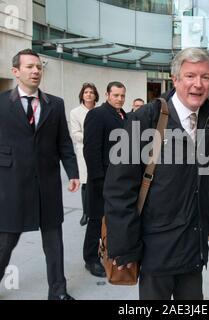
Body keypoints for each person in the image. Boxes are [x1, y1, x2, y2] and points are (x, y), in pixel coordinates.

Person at [103, 47, 209, 300]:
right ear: (175, 78)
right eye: (190, 76)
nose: (198, 84)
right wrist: (123, 246)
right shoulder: (144, 118)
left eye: (205, 77)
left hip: (193, 247)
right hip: (156, 249)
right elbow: (118, 187)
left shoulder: (208, 120)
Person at [0, 49, 80, 300]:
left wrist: (73, 172)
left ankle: (58, 291)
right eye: (29, 67)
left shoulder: (54, 104)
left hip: (47, 185)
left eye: (39, 67)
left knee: (54, 242)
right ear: (16, 71)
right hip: (12, 184)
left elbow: (64, 143)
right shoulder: (2, 103)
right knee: (5, 242)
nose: (36, 71)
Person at [83, 81, 127, 277]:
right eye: (116, 95)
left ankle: (112, 252)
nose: (119, 99)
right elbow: (90, 150)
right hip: (102, 180)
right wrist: (98, 179)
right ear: (108, 95)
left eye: (122, 96)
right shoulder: (97, 115)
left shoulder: (124, 116)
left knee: (114, 219)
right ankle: (91, 259)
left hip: (120, 179)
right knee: (96, 220)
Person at [70, 83, 99, 226]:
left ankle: (97, 211)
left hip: (100, 151)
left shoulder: (100, 111)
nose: (88, 94)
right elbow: (75, 134)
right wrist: (91, 137)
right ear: (82, 95)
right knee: (86, 183)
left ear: (95, 96)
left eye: (91, 92)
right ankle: (86, 213)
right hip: (84, 150)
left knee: (98, 182)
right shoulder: (75, 112)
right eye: (86, 92)